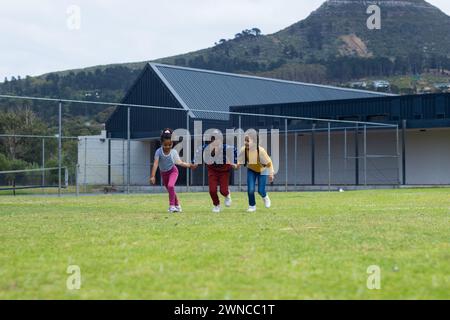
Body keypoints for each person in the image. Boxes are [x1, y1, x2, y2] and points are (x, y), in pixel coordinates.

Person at [150, 129, 195, 213]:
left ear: (172, 143)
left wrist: (189, 165)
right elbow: (155, 164)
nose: (167, 147)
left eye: (170, 144)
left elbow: (180, 163)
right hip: (163, 174)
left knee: (171, 186)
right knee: (171, 190)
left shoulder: (173, 152)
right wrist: (152, 176)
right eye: (165, 145)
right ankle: (178, 206)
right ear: (161, 143)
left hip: (173, 171)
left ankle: (172, 206)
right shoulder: (158, 152)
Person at [193, 130, 237, 213]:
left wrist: (235, 162)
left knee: (223, 191)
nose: (216, 142)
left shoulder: (225, 147)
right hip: (212, 170)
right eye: (213, 139)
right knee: (212, 190)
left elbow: (235, 150)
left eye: (218, 139)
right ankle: (216, 205)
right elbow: (198, 151)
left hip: (224, 170)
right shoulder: (206, 147)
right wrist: (195, 162)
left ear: (221, 140)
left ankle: (227, 194)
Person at [236, 135, 275, 213]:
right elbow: (239, 161)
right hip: (251, 170)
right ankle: (252, 206)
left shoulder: (261, 151)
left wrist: (271, 173)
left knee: (260, 190)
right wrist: (237, 165)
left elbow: (269, 163)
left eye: (248, 141)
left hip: (262, 170)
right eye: (245, 140)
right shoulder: (243, 149)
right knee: (251, 189)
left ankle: (265, 197)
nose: (245, 143)